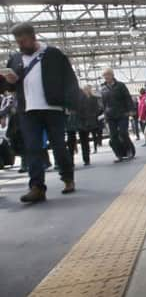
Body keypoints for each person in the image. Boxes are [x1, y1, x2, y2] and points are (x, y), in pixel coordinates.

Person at [0, 22, 79, 203]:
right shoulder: (15, 59)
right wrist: (10, 81)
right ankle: (37, 187)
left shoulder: (53, 54)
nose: (21, 45)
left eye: (24, 41)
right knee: (33, 148)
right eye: (18, 42)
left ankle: (68, 178)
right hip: (27, 110)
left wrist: (71, 104)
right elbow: (9, 87)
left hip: (53, 108)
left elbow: (69, 79)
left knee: (59, 146)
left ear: (33, 37)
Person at [100, 68, 135, 163]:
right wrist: (105, 115)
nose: (106, 77)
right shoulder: (103, 88)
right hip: (110, 116)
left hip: (122, 114)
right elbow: (103, 104)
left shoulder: (120, 85)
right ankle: (119, 154)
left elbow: (127, 98)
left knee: (123, 133)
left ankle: (129, 151)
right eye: (104, 75)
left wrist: (131, 110)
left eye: (108, 74)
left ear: (112, 75)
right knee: (113, 136)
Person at [77, 85, 101, 166]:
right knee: (84, 141)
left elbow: (97, 109)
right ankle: (86, 159)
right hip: (82, 122)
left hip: (91, 120)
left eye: (87, 89)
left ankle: (95, 147)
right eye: (85, 89)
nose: (86, 90)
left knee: (93, 136)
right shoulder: (79, 98)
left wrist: (94, 115)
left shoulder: (94, 98)